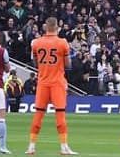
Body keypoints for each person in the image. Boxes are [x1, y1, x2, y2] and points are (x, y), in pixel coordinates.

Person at [26, 17, 76, 156]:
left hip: (43, 82)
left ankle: (31, 146)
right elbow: (68, 65)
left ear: (45, 27)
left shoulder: (36, 43)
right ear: (57, 27)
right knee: (60, 115)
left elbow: (35, 63)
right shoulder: (62, 42)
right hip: (57, 83)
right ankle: (64, 147)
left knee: (38, 114)